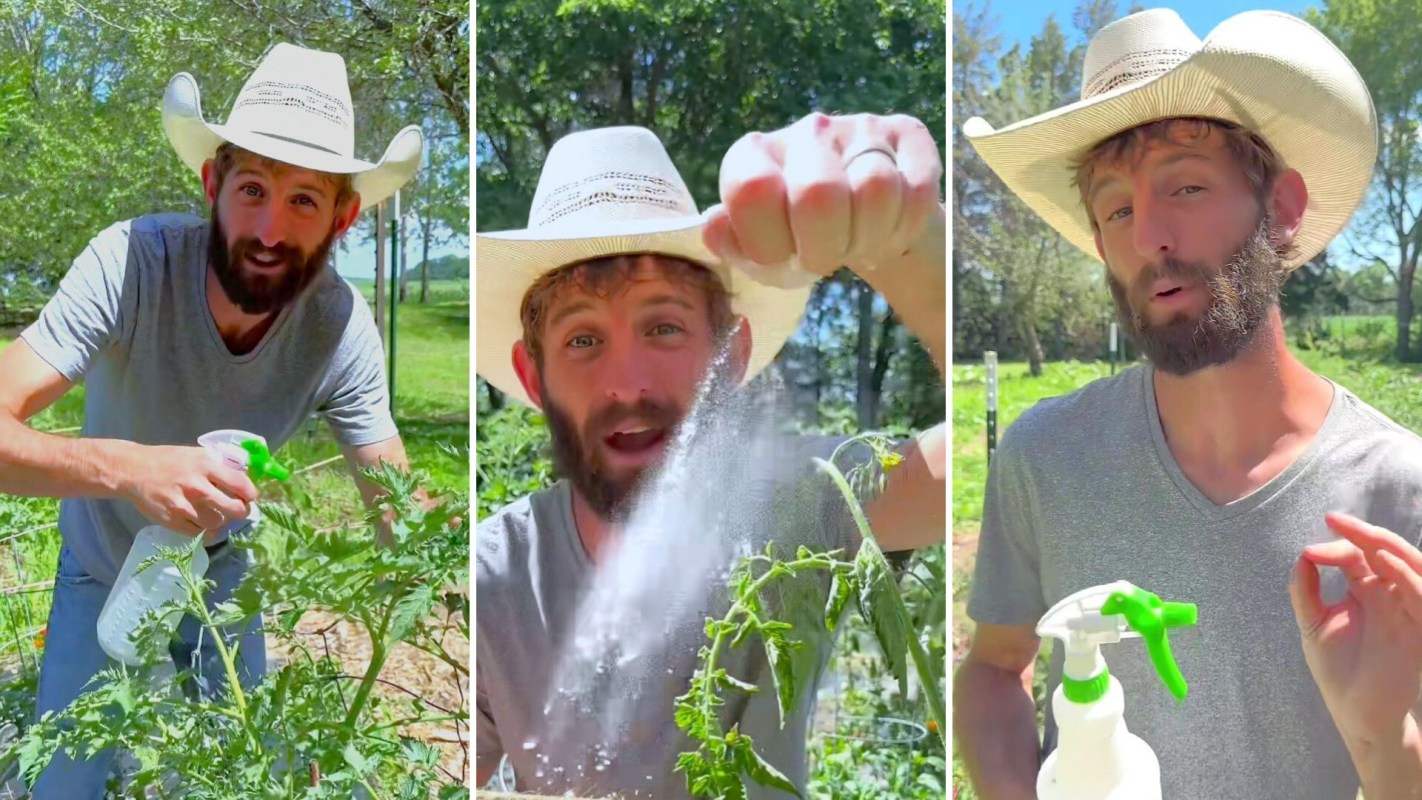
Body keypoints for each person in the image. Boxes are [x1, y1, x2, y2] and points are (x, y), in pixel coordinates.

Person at [955, 8, 1422, 800]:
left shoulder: (1397, 493)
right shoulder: (1042, 457)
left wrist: (1384, 736)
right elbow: (996, 668)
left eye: (1188, 185)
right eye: (1118, 208)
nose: (1151, 237)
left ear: (1280, 209)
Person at [474, 115, 946, 798]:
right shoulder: (498, 576)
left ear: (731, 358)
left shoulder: (800, 506)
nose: (627, 384)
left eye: (663, 327)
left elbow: (975, 475)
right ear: (533, 375)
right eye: (582, 340)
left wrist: (909, 251)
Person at [0, 43, 424, 796]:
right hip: (104, 562)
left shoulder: (340, 325)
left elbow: (402, 511)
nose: (269, 229)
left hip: (224, 572)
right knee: (66, 780)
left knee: (245, 775)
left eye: (303, 200)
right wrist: (131, 470)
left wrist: (448, 568)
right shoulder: (129, 263)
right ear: (211, 183)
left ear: (344, 216)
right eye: (253, 188)